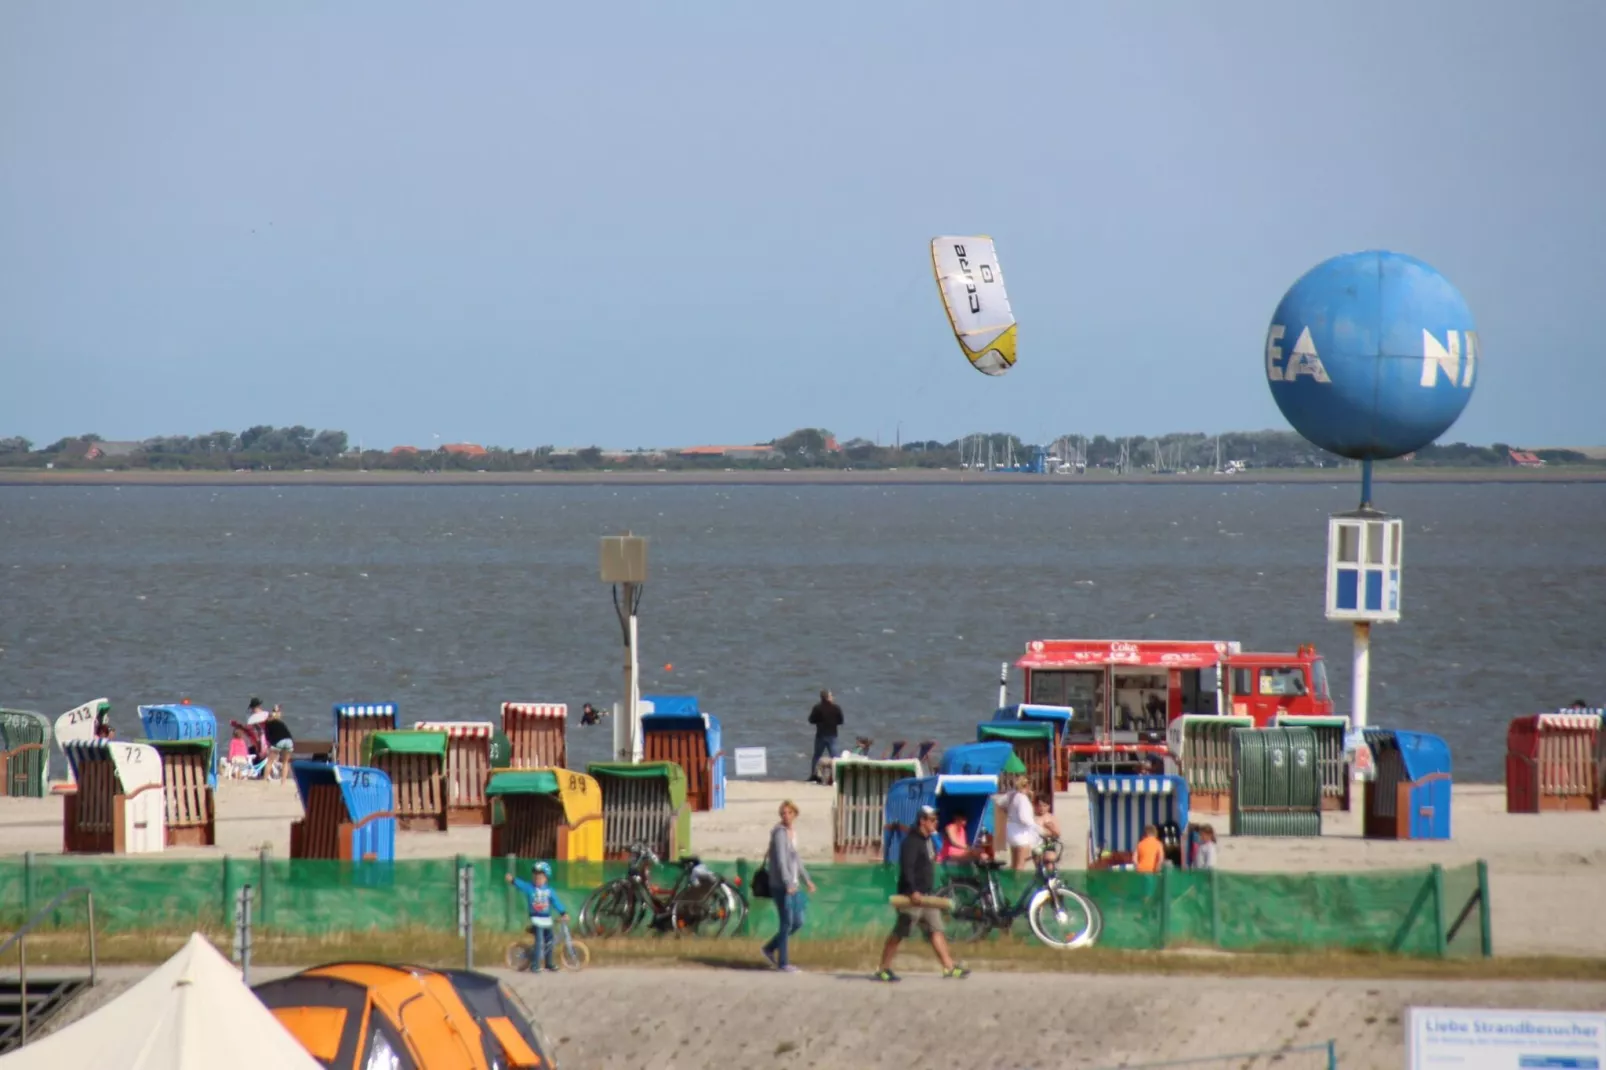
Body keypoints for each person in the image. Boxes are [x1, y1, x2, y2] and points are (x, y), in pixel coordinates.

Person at [875, 805, 968, 982]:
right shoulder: (911, 842)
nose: (936, 823)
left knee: (936, 930)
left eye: (936, 819)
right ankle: (883, 968)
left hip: (927, 897)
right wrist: (911, 891)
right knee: (900, 933)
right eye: (932, 820)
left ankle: (949, 967)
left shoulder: (927, 840)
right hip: (912, 897)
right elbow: (907, 869)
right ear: (922, 821)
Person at [761, 800, 816, 972]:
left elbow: (795, 858)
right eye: (783, 813)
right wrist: (787, 883)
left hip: (794, 884)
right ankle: (783, 963)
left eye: (789, 813)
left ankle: (769, 948)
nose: (786, 816)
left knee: (798, 921)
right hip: (781, 885)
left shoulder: (792, 832)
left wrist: (807, 879)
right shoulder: (779, 833)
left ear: (795, 814)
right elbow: (781, 860)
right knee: (786, 922)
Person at [506, 861, 569, 973]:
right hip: (536, 918)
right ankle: (535, 965)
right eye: (535, 877)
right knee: (539, 942)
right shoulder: (530, 888)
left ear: (546, 878)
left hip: (547, 919)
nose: (537, 880)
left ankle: (549, 963)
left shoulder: (549, 891)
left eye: (540, 878)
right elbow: (521, 885)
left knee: (550, 941)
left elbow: (556, 902)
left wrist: (563, 913)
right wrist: (513, 880)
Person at [1002, 775, 1040, 871]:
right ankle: (1017, 885)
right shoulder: (1022, 798)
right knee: (1020, 864)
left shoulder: (1012, 795)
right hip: (1020, 833)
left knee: (1014, 863)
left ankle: (1012, 883)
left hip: (1011, 830)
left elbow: (1001, 804)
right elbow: (1024, 818)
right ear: (1027, 786)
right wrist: (1034, 825)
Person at [806, 689, 844, 783]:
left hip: (821, 735)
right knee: (835, 757)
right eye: (831, 696)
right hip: (832, 735)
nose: (832, 697)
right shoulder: (836, 708)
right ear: (827, 697)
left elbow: (811, 720)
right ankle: (838, 777)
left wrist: (819, 721)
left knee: (817, 755)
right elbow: (840, 721)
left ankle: (814, 775)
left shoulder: (817, 708)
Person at [262, 706, 294, 781]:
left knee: (270, 761)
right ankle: (283, 781)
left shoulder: (268, 724)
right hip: (289, 740)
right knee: (285, 762)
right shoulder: (280, 722)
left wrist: (270, 746)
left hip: (279, 740)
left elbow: (268, 737)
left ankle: (264, 779)